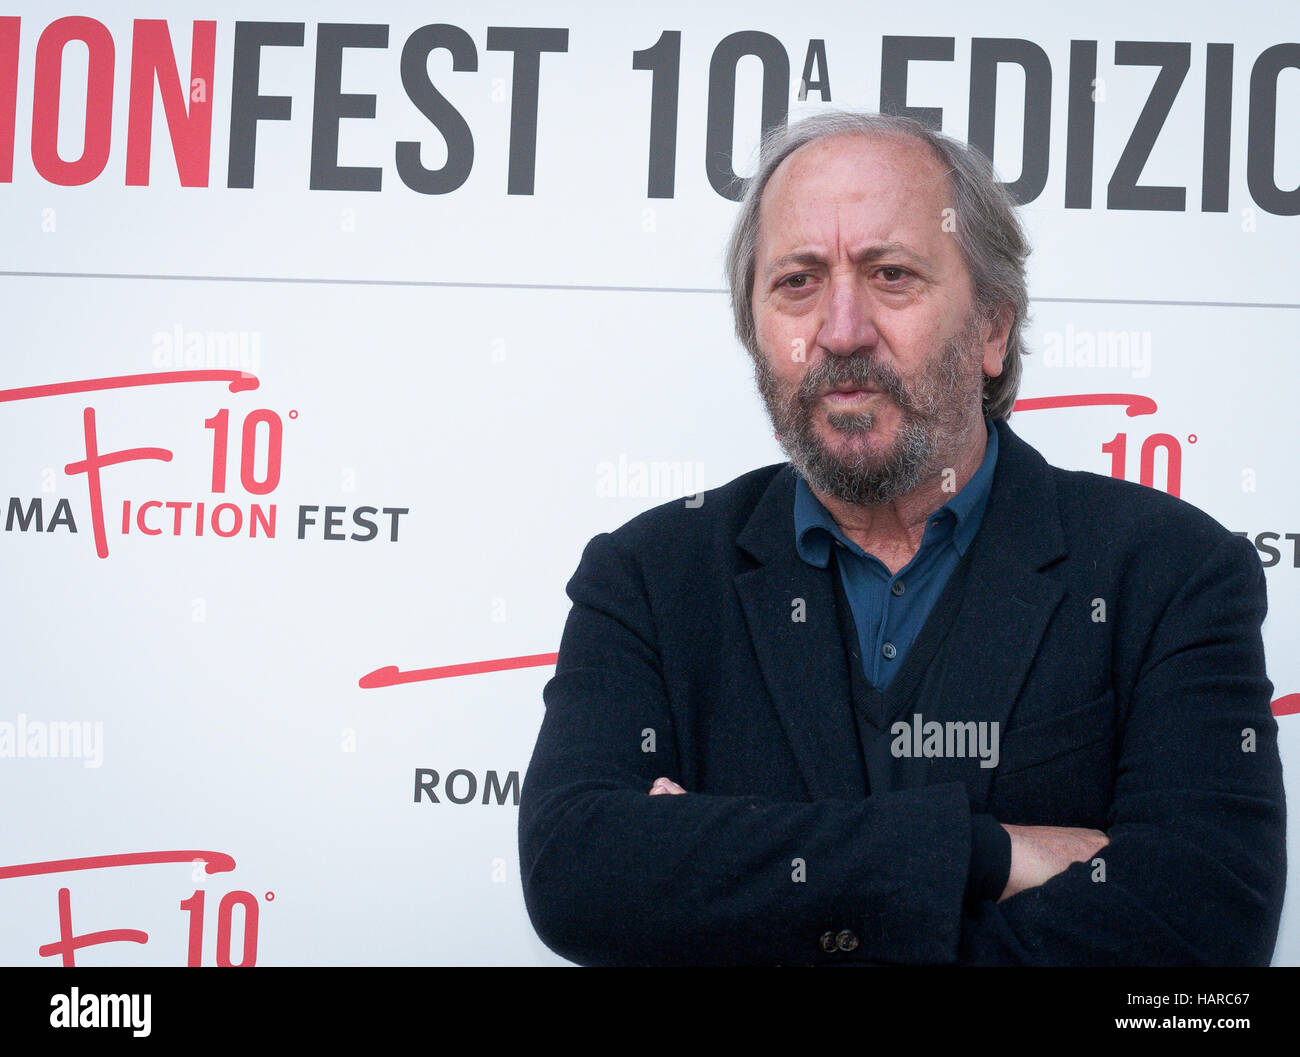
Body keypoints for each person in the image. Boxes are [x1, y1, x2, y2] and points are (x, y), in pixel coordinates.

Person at [517, 110, 1286, 966]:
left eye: (890, 275)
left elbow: (1206, 927)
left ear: (993, 327)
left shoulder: (1170, 572)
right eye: (799, 282)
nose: (841, 332)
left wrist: (723, 876)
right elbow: (577, 869)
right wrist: (986, 851)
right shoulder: (649, 578)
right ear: (756, 331)